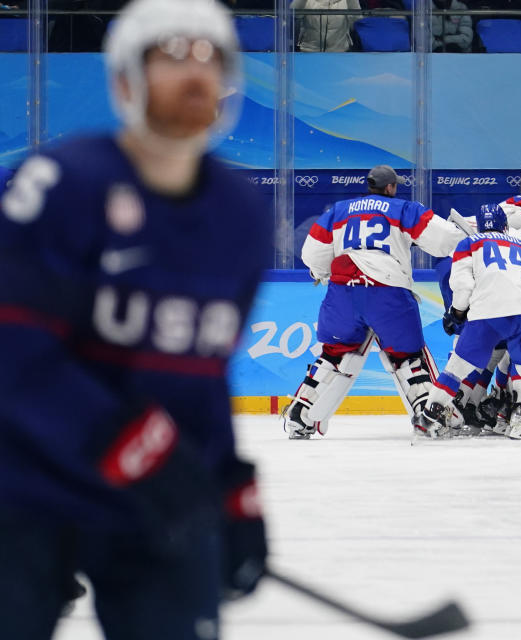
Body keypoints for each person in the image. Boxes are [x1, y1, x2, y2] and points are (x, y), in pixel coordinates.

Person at [0, 0, 270, 636]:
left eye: (211, 57)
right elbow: (16, 353)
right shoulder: (59, 185)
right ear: (125, 79)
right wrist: (123, 440)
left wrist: (230, 488)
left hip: (147, 497)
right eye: (172, 56)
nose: (195, 73)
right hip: (22, 488)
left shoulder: (241, 218)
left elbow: (200, 375)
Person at [285, 164, 465, 439]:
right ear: (391, 187)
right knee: (407, 357)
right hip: (387, 291)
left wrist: (321, 271)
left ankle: (300, 413)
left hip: (343, 291)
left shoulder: (339, 210)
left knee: (333, 354)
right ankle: (428, 416)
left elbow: (312, 253)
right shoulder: (404, 209)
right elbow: (445, 240)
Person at [421, 204, 521, 442]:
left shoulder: (468, 244)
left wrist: (456, 313)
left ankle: (427, 421)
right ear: (505, 226)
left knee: (457, 367)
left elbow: (464, 286)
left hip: (487, 312)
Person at [292, 0, 361, 53]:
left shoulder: (345, 1)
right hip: (309, 51)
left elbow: (357, 20)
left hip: (339, 52)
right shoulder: (309, 1)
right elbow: (294, 14)